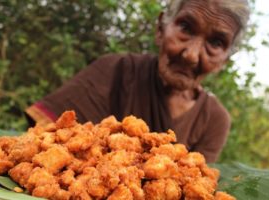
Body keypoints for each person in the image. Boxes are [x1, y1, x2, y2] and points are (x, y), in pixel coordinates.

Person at [25, 0, 250, 162]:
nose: (191, 54)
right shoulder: (115, 71)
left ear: (225, 61)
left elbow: (194, 182)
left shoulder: (214, 119)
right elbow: (43, 141)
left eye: (216, 43)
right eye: (185, 28)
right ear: (161, 28)